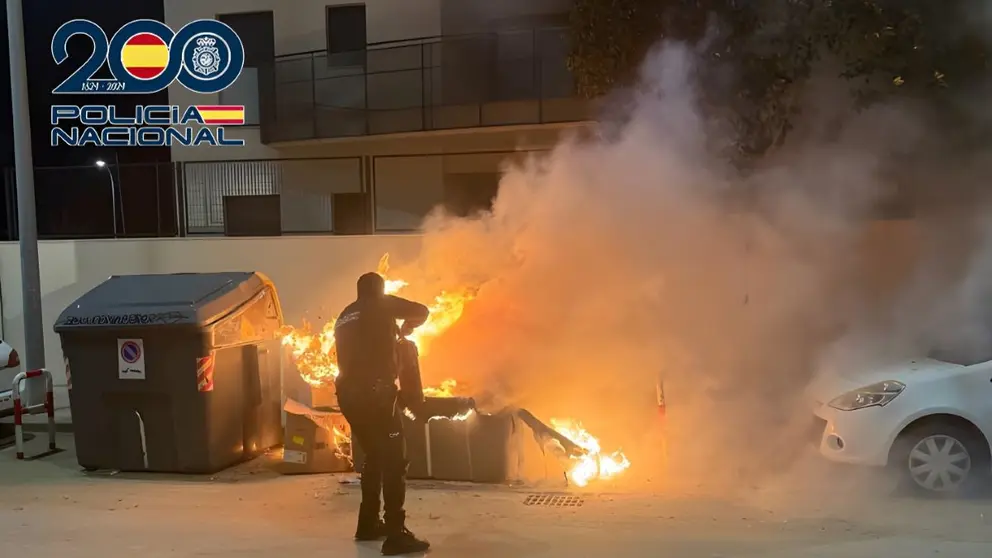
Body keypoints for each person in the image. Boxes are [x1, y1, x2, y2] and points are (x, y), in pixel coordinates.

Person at [334, 271, 431, 555]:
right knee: (395, 458)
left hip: (348, 397)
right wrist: (408, 327)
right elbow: (421, 311)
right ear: (380, 289)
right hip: (376, 397)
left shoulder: (345, 314)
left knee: (374, 456)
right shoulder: (381, 303)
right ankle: (396, 532)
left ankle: (367, 524)